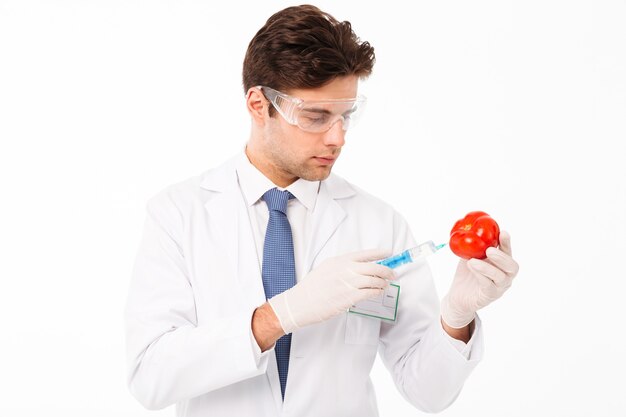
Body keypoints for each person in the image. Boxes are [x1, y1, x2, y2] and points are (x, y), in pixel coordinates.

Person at [124, 4, 519, 416]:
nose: (338, 138)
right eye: (316, 116)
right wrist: (278, 316)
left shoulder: (377, 224)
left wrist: (457, 316)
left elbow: (428, 392)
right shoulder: (179, 213)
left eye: (346, 116)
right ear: (259, 105)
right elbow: (150, 377)